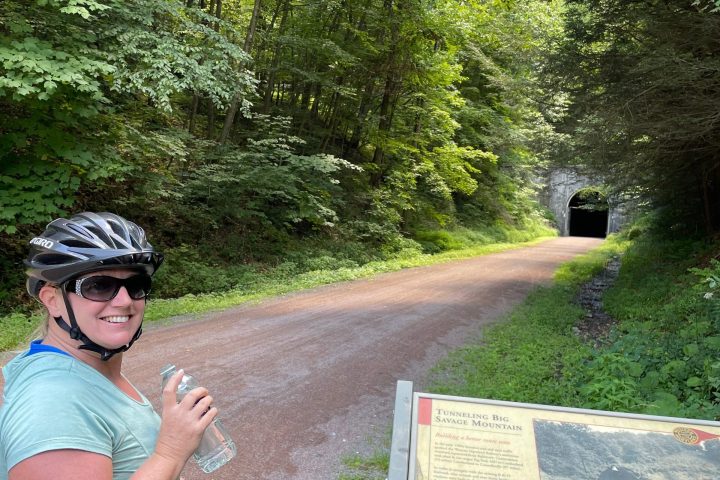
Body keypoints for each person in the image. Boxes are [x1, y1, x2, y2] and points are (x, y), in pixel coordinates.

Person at [0, 212, 216, 480]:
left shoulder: (79, 369)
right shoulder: (55, 401)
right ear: (52, 300)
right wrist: (170, 452)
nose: (125, 300)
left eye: (136, 284)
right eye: (99, 285)